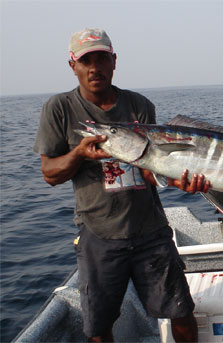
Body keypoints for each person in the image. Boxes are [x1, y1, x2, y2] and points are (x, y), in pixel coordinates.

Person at [33, 28, 209, 342]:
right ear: (72, 65)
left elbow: (150, 170)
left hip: (151, 231)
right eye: (86, 60)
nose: (94, 67)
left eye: (101, 58)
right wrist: (78, 153)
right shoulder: (59, 108)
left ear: (114, 61)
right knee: (99, 328)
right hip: (99, 234)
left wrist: (181, 182)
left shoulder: (139, 105)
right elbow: (50, 173)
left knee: (181, 311)